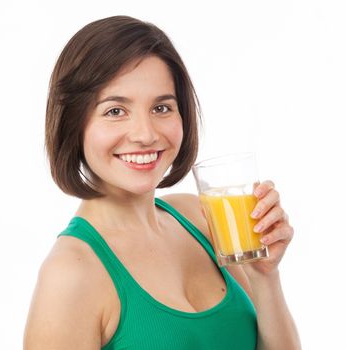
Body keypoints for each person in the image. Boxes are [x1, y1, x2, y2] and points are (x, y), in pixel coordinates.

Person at [23, 15, 301, 350]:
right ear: (74, 123)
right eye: (115, 111)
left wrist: (264, 277)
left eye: (162, 107)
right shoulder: (70, 275)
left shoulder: (199, 217)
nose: (146, 134)